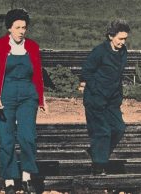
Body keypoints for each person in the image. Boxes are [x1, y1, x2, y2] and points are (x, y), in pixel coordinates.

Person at [0, 8, 45, 194]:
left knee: (28, 137)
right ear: (9, 29)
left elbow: (37, 75)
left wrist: (41, 98)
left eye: (24, 27)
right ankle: (10, 180)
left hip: (28, 95)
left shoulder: (33, 47)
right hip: (5, 96)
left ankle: (27, 177)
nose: (21, 31)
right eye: (17, 27)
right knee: (7, 140)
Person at [82, 19, 130, 175]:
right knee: (102, 131)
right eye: (120, 38)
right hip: (95, 99)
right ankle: (98, 167)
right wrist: (97, 90)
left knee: (119, 128)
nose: (123, 42)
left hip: (112, 101)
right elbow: (86, 73)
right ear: (110, 36)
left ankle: (95, 153)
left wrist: (117, 96)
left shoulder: (123, 51)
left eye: (125, 38)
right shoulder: (99, 52)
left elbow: (118, 75)